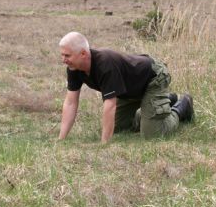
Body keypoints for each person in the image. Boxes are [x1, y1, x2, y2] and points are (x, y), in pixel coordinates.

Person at [58, 31, 193, 143]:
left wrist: (104, 144)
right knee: (116, 127)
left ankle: (181, 106)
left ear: (83, 54)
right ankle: (164, 102)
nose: (63, 60)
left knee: (152, 135)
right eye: (62, 55)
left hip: (152, 78)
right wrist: (61, 139)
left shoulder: (105, 63)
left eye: (67, 55)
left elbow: (110, 104)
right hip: (129, 91)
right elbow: (70, 102)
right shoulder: (73, 68)